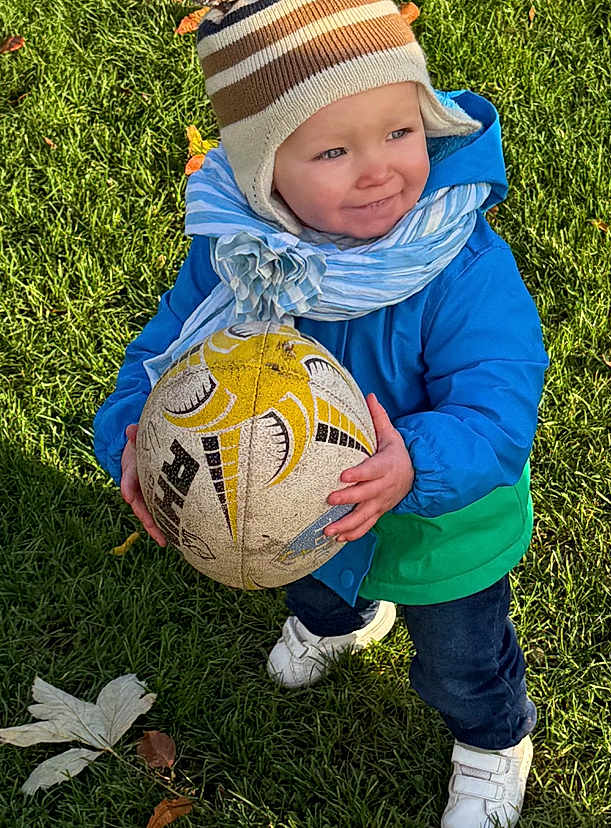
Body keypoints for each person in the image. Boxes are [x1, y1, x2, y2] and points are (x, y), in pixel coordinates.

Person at [93, 0, 548, 824]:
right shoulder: (239, 253)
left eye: (400, 132)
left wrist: (416, 462)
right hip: (296, 507)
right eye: (333, 150)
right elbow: (163, 355)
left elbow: (499, 399)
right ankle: (341, 623)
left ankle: (492, 740)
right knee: (318, 589)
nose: (378, 170)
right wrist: (134, 436)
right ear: (263, 174)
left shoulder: (458, 261)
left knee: (461, 662)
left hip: (442, 527)